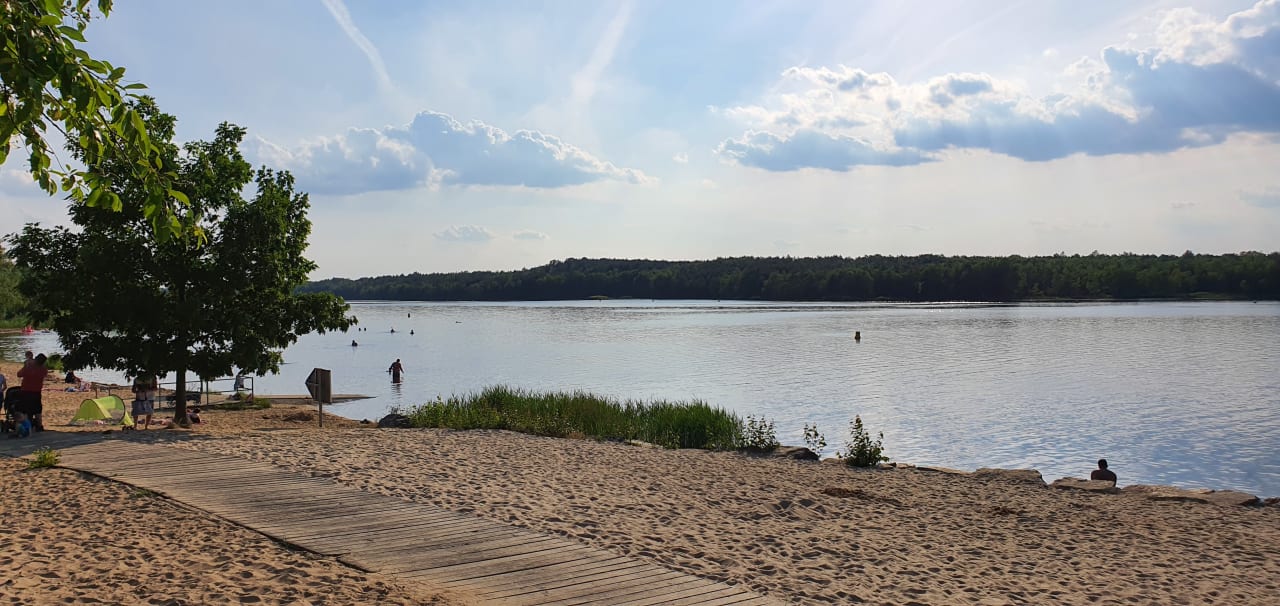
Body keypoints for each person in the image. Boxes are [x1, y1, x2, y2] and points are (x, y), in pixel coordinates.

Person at [15, 353, 49, 433]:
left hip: (26, 391)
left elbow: (19, 374)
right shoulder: (43, 369)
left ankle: (27, 425)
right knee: (38, 410)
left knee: (25, 409)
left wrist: (26, 365)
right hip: (37, 392)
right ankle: (39, 426)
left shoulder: (29, 367)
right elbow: (44, 373)